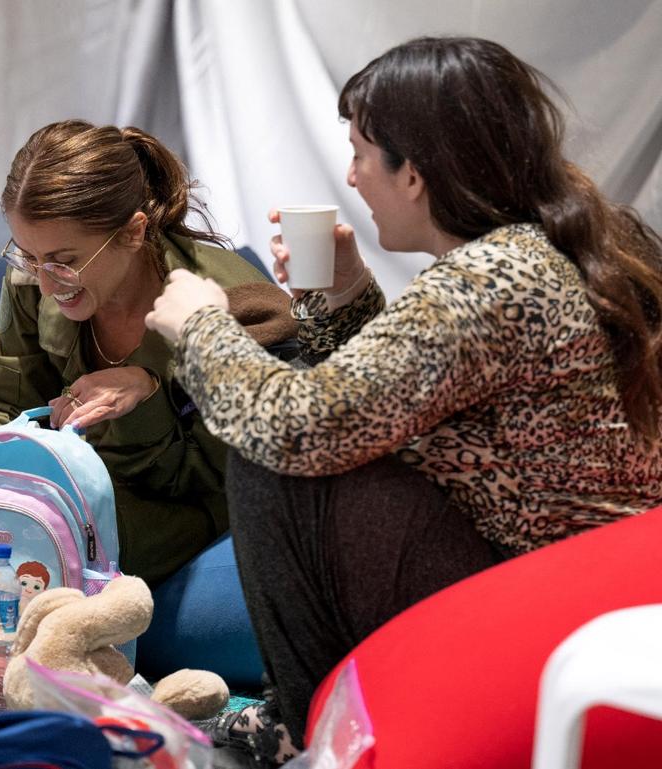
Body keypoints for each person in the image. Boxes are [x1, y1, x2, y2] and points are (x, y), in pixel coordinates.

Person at [146, 36, 662, 764]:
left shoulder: (487, 282)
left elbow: (299, 426)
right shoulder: (533, 250)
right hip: (579, 581)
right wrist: (349, 293)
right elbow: (400, 402)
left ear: (413, 174)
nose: (352, 175)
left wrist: (198, 325)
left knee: (271, 459)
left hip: (545, 601)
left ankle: (312, 732)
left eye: (360, 153)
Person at [0, 120, 297, 590]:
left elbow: (216, 480)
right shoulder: (34, 278)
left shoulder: (237, 309)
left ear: (133, 233)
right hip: (62, 476)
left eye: (65, 261)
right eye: (27, 256)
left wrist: (144, 398)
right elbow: (6, 405)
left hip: (168, 506)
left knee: (62, 521)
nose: (45, 283)